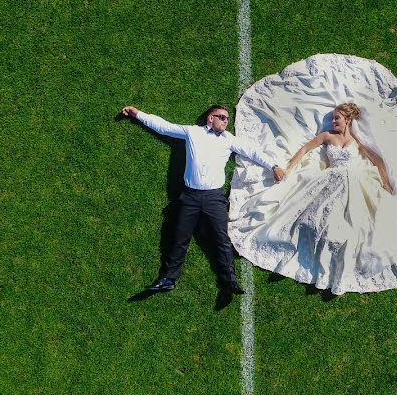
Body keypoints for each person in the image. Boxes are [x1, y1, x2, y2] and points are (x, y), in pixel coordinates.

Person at [228, 54, 397, 295]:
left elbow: (377, 159)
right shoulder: (327, 137)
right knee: (316, 217)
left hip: (357, 181)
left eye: (337, 118)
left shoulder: (358, 138)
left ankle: (342, 257)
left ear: (347, 120)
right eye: (333, 118)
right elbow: (304, 150)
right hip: (330, 179)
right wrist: (290, 168)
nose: (333, 121)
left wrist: (387, 182)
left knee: (361, 222)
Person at [121, 104, 285, 297]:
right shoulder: (192, 133)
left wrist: (273, 166)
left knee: (221, 239)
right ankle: (167, 279)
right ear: (210, 118)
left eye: (227, 118)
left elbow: (252, 151)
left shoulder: (229, 140)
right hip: (189, 196)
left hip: (214, 198)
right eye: (222, 117)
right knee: (179, 238)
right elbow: (163, 126)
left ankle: (229, 281)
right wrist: (137, 114)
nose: (226, 121)